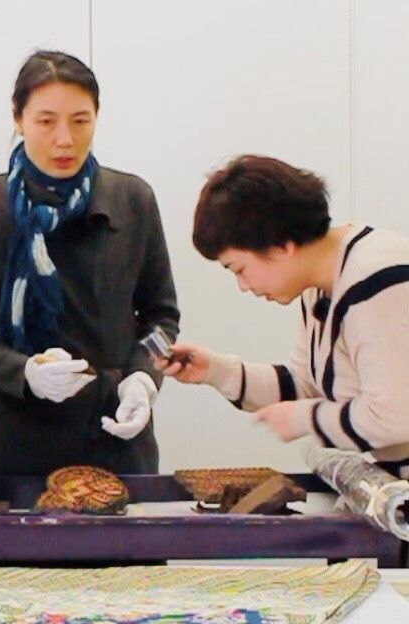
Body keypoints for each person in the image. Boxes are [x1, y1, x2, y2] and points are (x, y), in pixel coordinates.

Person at [0, 51, 180, 477]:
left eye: (81, 121)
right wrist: (25, 371)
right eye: (46, 121)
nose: (65, 139)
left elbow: (163, 319)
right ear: (17, 118)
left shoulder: (133, 200)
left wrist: (143, 379)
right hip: (15, 437)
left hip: (115, 433)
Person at [160, 155, 409, 478]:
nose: (243, 286)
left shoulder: (376, 281)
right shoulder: (319, 284)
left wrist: (305, 418)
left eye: (240, 269)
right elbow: (304, 385)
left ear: (280, 246)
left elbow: (394, 416)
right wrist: (216, 371)